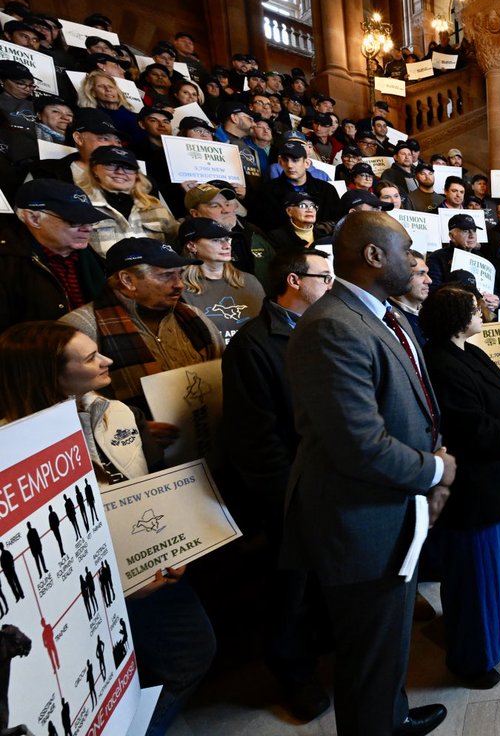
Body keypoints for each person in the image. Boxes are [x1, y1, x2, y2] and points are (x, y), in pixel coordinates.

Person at [0, 321, 215, 736]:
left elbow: (141, 486)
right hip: (80, 592)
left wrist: (169, 548)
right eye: (90, 358)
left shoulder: (116, 412)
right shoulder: (13, 449)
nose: (107, 360)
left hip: (149, 573)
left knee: (191, 653)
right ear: (51, 375)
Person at [281, 212, 451, 736]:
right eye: (404, 250)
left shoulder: (378, 315)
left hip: (391, 507)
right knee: (368, 655)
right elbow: (358, 445)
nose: (415, 262)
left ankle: (392, 714)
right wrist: (434, 470)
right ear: (374, 256)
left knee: (388, 643)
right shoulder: (333, 325)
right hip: (359, 521)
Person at [220, 248, 333, 722]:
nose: (331, 285)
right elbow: (257, 438)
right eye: (323, 277)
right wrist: (287, 496)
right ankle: (292, 672)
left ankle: (323, 649)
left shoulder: (322, 329)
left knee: (322, 579)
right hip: (290, 490)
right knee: (289, 586)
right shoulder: (254, 344)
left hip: (330, 481)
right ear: (293, 279)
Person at [420, 286, 500, 688]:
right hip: (473, 485)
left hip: (497, 478)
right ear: (455, 316)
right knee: (475, 575)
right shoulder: (440, 361)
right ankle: (472, 658)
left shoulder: (470, 351)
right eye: (474, 307)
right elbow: (472, 429)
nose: (483, 310)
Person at [60, 237, 223, 407]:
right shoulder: (80, 326)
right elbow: (71, 400)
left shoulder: (193, 315)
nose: (179, 284)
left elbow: (224, 369)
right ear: (127, 280)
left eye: (179, 274)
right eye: (166, 275)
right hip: (131, 431)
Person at [0, 179, 111, 332]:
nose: (88, 229)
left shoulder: (91, 257)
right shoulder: (7, 263)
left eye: (91, 221)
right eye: (75, 221)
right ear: (34, 219)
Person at [77, 145, 178, 257]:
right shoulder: (81, 206)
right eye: (111, 164)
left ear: (136, 175)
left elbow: (177, 243)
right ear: (94, 169)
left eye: (128, 167)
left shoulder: (156, 207)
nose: (120, 171)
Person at [178, 218, 265, 344]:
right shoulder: (179, 288)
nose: (226, 246)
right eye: (216, 240)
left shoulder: (249, 281)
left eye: (227, 239)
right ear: (191, 246)